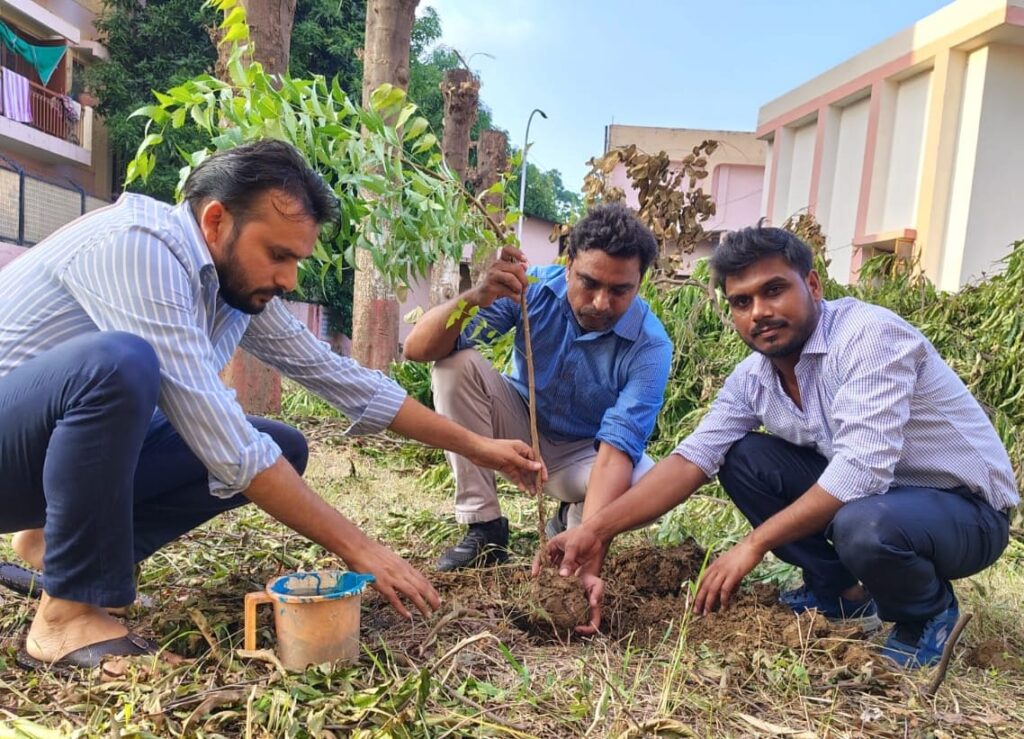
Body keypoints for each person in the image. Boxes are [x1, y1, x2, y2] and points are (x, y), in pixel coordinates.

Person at [0, 139, 544, 672]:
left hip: (40, 457)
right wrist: (361, 549)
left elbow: (341, 379)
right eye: (278, 255)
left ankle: (59, 550)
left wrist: (480, 447)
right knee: (121, 363)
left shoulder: (228, 284)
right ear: (216, 221)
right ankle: (66, 616)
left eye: (296, 260)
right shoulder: (139, 249)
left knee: (285, 445)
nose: (288, 279)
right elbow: (224, 440)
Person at [545, 226, 1018, 666]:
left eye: (774, 290)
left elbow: (861, 472)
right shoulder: (753, 379)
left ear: (812, 285)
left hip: (966, 513)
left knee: (865, 524)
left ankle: (927, 613)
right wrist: (594, 531)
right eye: (741, 301)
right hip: (886, 502)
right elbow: (693, 458)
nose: (759, 313)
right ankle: (840, 593)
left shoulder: (868, 337)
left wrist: (753, 545)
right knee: (743, 457)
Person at [404, 203, 672, 579]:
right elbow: (418, 349)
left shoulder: (650, 346)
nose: (600, 303)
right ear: (568, 266)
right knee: (454, 366)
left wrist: (589, 543)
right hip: (518, 425)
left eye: (619, 290)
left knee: (646, 483)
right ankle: (485, 527)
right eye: (589, 283)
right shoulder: (530, 292)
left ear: (639, 284)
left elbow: (617, 450)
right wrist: (475, 297)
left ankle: (570, 525)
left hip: (586, 452)